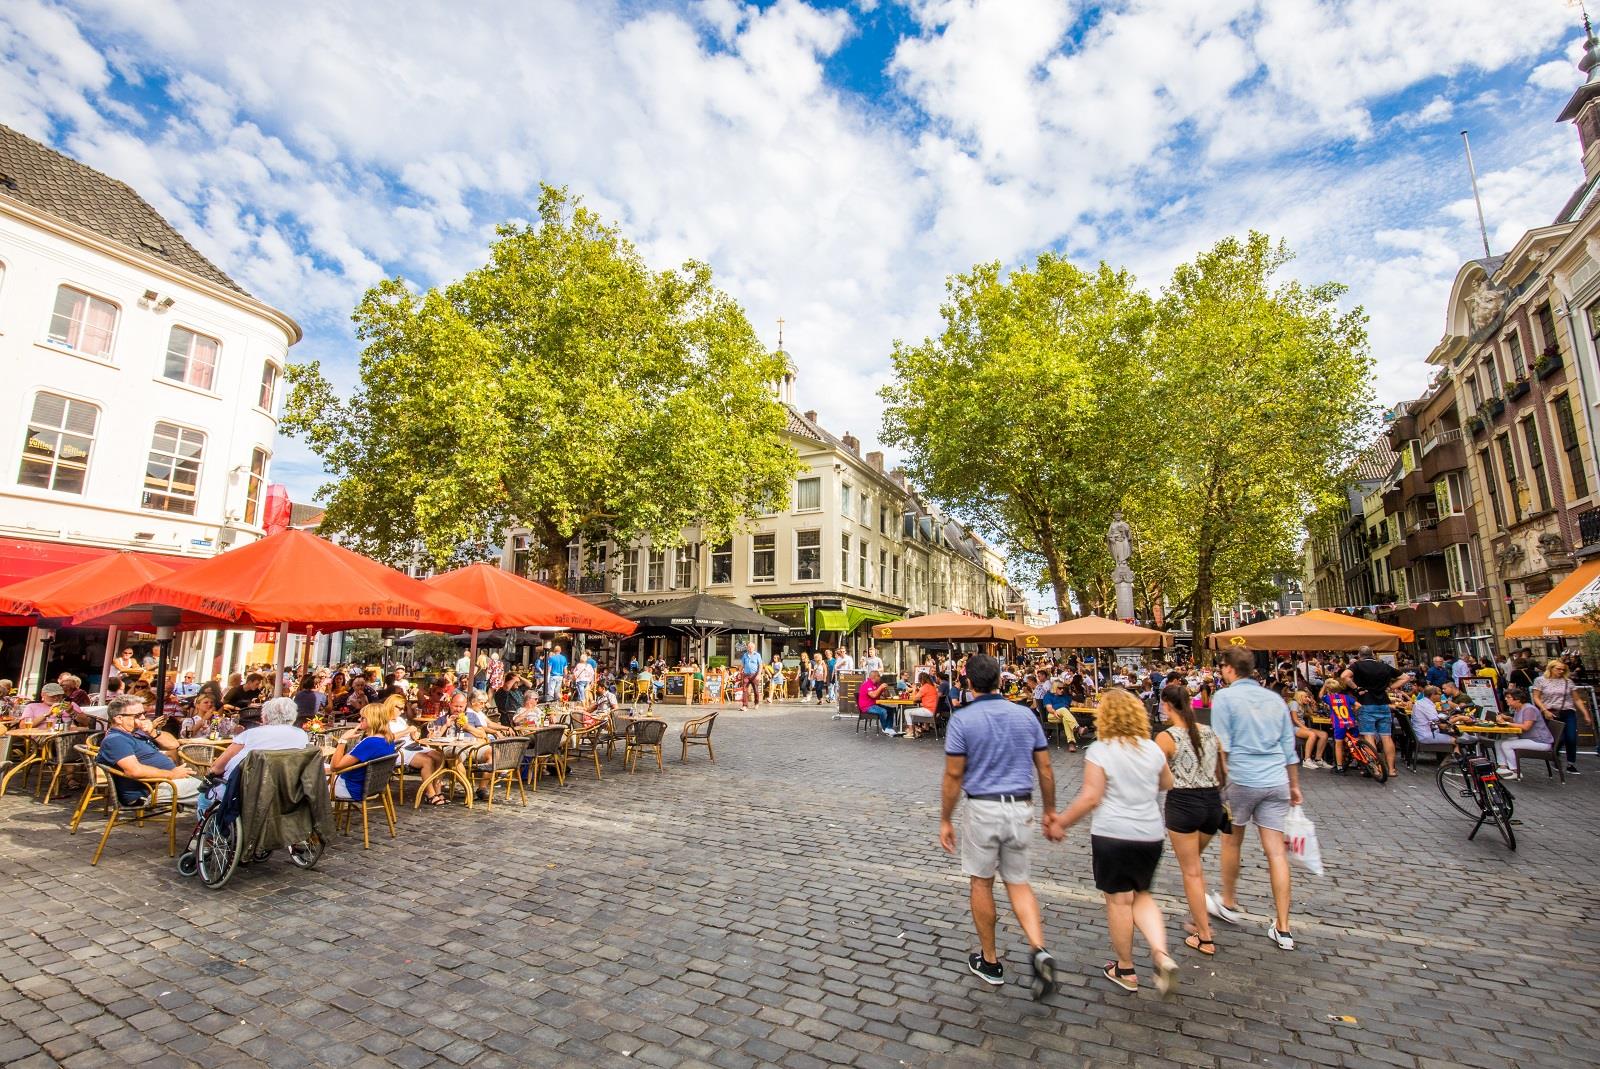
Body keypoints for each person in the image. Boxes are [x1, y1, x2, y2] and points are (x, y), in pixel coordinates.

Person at [938, 654, 1059, 1000]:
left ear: (969, 684)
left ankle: (990, 960)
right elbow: (1046, 768)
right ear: (1000, 681)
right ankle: (1038, 948)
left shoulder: (962, 720)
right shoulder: (1025, 716)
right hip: (1020, 806)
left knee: (981, 882)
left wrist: (946, 818)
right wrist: (1050, 810)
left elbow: (953, 774)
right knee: (1019, 884)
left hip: (982, 807)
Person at [1050, 688, 1179, 995]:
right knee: (1142, 895)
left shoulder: (1101, 750)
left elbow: (1091, 797)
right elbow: (1168, 783)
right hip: (1149, 833)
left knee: (1119, 900)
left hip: (1113, 832)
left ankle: (1125, 967)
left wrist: (1062, 822)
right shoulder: (1151, 749)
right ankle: (1160, 953)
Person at [1209, 646, 1301, 952]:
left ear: (1231, 670)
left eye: (1223, 667)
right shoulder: (1274, 699)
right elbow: (1289, 748)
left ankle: (1229, 900)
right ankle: (1284, 927)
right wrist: (1294, 785)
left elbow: (1222, 745)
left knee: (1231, 841)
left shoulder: (1224, 697)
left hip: (1241, 778)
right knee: (1276, 853)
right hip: (1276, 780)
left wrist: (1219, 784)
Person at [1153, 683, 1226, 958]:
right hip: (1211, 803)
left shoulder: (1166, 737)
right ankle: (1198, 917)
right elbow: (1223, 770)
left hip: (1183, 803)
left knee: (1191, 871)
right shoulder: (1209, 732)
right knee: (1195, 865)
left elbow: (1157, 777)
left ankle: (1204, 936)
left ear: (1168, 705)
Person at [98, 696, 203, 805]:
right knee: (215, 792)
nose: (144, 718)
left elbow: (173, 745)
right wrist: (171, 774)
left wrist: (152, 731)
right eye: (138, 715)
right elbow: (134, 771)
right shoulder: (116, 739)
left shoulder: (135, 733)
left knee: (216, 788)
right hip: (151, 790)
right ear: (119, 719)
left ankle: (208, 819)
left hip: (165, 783)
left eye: (144, 713)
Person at [1342, 647, 1402, 778]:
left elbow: (1344, 676)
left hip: (1366, 703)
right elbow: (1405, 677)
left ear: (1359, 655)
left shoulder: (1357, 665)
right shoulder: (1383, 666)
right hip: (1384, 704)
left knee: (1369, 737)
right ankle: (1391, 769)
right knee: (1386, 737)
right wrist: (1390, 687)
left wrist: (1357, 688)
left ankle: (1376, 768)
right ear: (1373, 654)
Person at [1529, 659, 1590, 774]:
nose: (1561, 671)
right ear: (1551, 668)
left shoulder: (1568, 682)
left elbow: (1576, 699)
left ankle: (1571, 763)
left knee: (1571, 737)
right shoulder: (1541, 680)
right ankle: (1554, 755)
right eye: (1558, 669)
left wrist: (1586, 714)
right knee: (1558, 738)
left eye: (1563, 669)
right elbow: (1536, 697)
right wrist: (1544, 709)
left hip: (1568, 711)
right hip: (1551, 712)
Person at [329, 703, 398, 802]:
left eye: (362, 718)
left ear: (373, 720)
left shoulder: (370, 743)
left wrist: (342, 740)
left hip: (350, 788)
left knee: (308, 784)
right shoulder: (388, 739)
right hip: (369, 787)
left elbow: (335, 767)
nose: (359, 720)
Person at [1495, 686, 1555, 781]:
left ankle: (1516, 771)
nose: (1506, 699)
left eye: (1508, 697)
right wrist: (1509, 719)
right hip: (1530, 739)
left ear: (1518, 699)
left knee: (1506, 744)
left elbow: (1526, 727)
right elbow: (1518, 722)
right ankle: (1503, 767)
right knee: (1498, 742)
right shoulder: (1518, 709)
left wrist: (1506, 723)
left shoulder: (1529, 709)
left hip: (1540, 741)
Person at [1287, 690, 1328, 769]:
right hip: (1292, 727)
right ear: (1300, 697)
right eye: (1306, 697)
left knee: (1324, 735)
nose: (1307, 698)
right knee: (1312, 734)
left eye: (1308, 697)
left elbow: (1313, 712)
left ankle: (1318, 759)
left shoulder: (1302, 705)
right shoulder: (1294, 703)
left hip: (1300, 727)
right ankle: (1307, 760)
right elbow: (1294, 720)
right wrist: (1306, 729)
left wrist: (1312, 702)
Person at [858, 670, 898, 736]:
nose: (880, 677)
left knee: (891, 709)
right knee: (883, 711)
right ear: (874, 677)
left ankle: (889, 728)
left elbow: (886, 696)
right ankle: (885, 728)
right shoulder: (867, 684)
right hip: (867, 706)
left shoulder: (877, 684)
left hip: (875, 704)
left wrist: (885, 689)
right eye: (879, 676)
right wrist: (880, 688)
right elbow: (873, 695)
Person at [738, 642, 764, 710]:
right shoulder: (745, 655)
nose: (750, 648)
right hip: (746, 675)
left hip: (754, 675)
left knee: (755, 690)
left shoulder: (757, 655)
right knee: (744, 690)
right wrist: (739, 673)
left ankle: (756, 703)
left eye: (752, 647)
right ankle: (745, 705)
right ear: (747, 648)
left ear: (754, 648)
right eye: (749, 647)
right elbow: (742, 665)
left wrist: (759, 674)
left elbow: (761, 665)